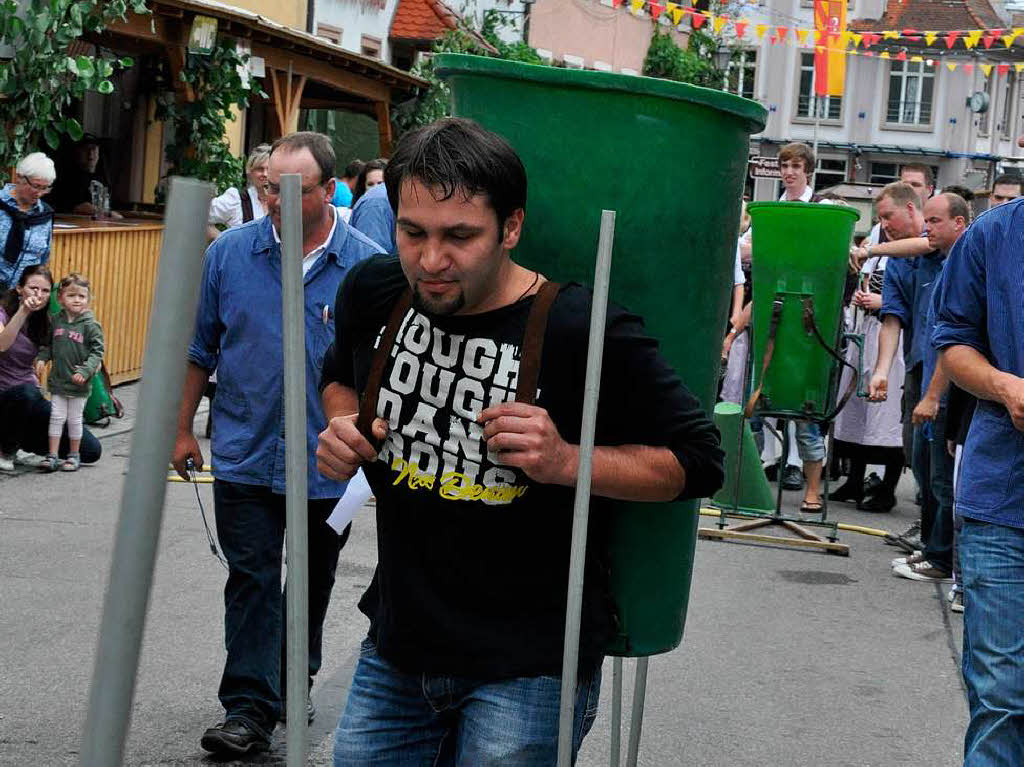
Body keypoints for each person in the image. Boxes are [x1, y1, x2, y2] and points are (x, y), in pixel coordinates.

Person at [316, 117, 724, 766]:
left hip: (532, 667)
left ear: (510, 228)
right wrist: (343, 424)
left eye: (460, 236)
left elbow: (698, 461)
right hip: (398, 645)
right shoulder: (376, 292)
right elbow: (338, 375)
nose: (431, 260)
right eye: (412, 231)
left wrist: (566, 460)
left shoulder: (579, 326)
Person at [171, 131, 384, 757]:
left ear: (327, 190)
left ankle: (296, 677)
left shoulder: (366, 266)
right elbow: (197, 347)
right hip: (245, 448)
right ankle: (248, 708)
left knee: (312, 579)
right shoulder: (231, 255)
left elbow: (384, 369)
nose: (275, 199)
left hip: (328, 463)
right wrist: (182, 429)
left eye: (292, 189)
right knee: (252, 577)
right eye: (268, 186)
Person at [932, 192, 1024, 766]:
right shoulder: (993, 236)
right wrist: (1003, 386)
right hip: (1004, 501)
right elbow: (953, 341)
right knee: (1002, 699)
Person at [869, 184, 956, 576]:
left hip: (948, 370)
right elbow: (892, 320)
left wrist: (869, 249)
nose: (883, 225)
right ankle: (932, 541)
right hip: (918, 368)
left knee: (940, 468)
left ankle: (943, 555)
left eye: (888, 216)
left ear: (911, 209)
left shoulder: (939, 249)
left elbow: (923, 244)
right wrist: (882, 372)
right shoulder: (899, 265)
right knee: (918, 459)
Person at [742, 142, 827, 509]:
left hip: (807, 316)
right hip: (769, 309)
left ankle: (812, 490)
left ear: (808, 169)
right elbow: (743, 250)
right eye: (785, 166)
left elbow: (824, 252)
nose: (789, 172)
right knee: (757, 403)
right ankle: (754, 487)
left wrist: (776, 251)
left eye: (796, 166)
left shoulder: (823, 208)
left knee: (805, 406)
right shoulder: (771, 208)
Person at [0, 265, 101, 471]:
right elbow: (2, 344)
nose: (39, 295)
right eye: (33, 288)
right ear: (19, 289)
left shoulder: (48, 321)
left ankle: (18, 440)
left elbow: (71, 348)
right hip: (6, 397)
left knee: (91, 450)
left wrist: (92, 364)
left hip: (28, 401)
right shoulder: (2, 312)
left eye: (45, 291)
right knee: (26, 393)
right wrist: (23, 311)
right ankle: (6, 451)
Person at [35, 272, 104, 472]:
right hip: (58, 381)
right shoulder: (56, 321)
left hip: (79, 384)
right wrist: (42, 358)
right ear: (61, 298)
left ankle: (74, 455)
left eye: (82, 296)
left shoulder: (91, 325)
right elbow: (49, 345)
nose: (77, 300)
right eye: (72, 295)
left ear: (88, 299)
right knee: (56, 418)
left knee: (74, 420)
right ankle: (53, 455)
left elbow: (97, 352)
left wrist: (85, 370)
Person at [0, 152, 56, 292]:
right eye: (36, 186)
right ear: (19, 177)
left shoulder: (44, 215)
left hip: (23, 296)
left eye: (45, 188)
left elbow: (43, 257)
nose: (39, 193)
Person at [207, 143, 272, 239]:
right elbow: (198, 215)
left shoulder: (284, 202)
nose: (265, 174)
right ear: (250, 172)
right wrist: (224, 241)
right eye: (260, 169)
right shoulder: (237, 200)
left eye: (269, 169)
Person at [51, 134, 122, 219]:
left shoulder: (104, 177)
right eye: (86, 149)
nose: (90, 154)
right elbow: (81, 207)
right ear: (77, 152)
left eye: (94, 149)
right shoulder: (69, 178)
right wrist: (108, 214)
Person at [349, 177, 395, 255]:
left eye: (380, 183)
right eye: (370, 184)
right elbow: (372, 259)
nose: (375, 186)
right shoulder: (376, 204)